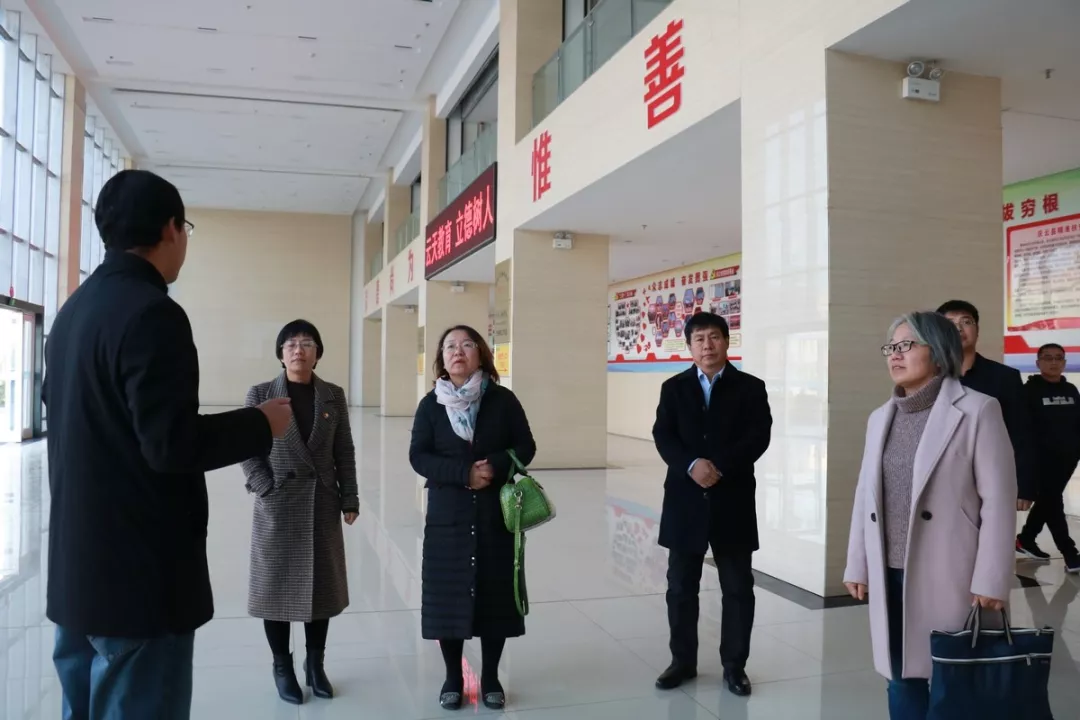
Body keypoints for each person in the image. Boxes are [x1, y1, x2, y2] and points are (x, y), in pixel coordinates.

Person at [44, 170, 293, 719]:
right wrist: (260, 424)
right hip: (138, 585)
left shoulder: (72, 314)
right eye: (186, 229)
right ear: (170, 229)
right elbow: (171, 445)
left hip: (78, 577)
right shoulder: (153, 313)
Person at [844, 311, 1016, 719]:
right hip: (890, 573)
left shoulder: (978, 410)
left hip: (953, 573)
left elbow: (998, 499)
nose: (895, 354)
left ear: (939, 353)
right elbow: (866, 497)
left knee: (951, 678)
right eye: (891, 347)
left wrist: (992, 577)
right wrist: (857, 563)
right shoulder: (879, 418)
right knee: (900, 675)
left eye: (907, 345)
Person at [408, 325, 536, 711]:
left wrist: (494, 466)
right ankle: (453, 676)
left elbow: (526, 446)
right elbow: (419, 456)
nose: (458, 351)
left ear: (481, 354)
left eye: (467, 345)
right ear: (441, 358)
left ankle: (491, 676)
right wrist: (463, 474)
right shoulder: (431, 405)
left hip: (495, 513)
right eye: (450, 346)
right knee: (447, 597)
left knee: (494, 596)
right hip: (448, 516)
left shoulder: (502, 400)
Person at [652, 312, 772, 696]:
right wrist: (691, 465)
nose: (707, 345)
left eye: (714, 337)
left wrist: (718, 466)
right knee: (680, 587)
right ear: (689, 346)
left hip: (732, 499)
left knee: (737, 587)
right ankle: (682, 662)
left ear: (726, 341)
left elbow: (758, 436)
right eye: (699, 339)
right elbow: (663, 435)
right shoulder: (673, 388)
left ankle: (735, 666)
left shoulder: (750, 388)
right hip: (684, 501)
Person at [242, 320, 359, 704]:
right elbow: (247, 448)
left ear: (317, 353)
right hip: (278, 504)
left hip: (320, 502)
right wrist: (264, 486)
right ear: (281, 353)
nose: (298, 350)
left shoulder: (332, 395)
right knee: (275, 589)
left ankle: (315, 664)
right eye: (291, 344)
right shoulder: (261, 393)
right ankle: (282, 666)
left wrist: (350, 498)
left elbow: (344, 449)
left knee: (319, 589)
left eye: (307, 343)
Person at [936, 300, 1036, 509]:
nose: (959, 329)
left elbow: (1021, 432)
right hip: (940, 479)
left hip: (991, 477)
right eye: (951, 323)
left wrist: (1024, 486)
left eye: (966, 322)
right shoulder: (929, 377)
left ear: (977, 330)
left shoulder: (1005, 377)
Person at [1016, 343, 1080, 569]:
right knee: (1052, 502)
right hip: (1040, 460)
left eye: (1058, 358)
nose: (1053, 362)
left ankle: (1026, 538)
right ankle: (1070, 553)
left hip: (1068, 459)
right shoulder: (1028, 391)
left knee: (1047, 501)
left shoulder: (1071, 390)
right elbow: (1022, 429)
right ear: (1038, 363)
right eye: (1048, 357)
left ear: (1064, 362)